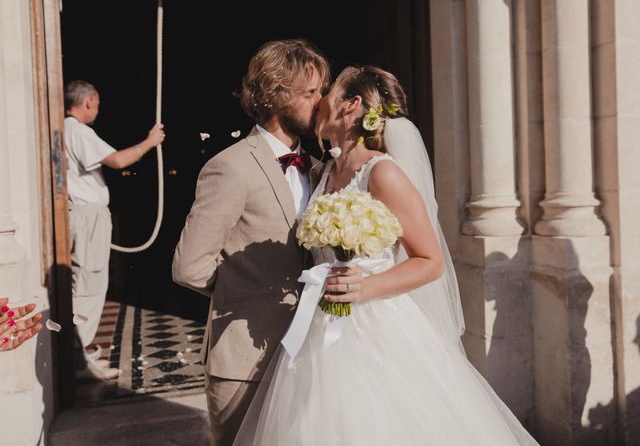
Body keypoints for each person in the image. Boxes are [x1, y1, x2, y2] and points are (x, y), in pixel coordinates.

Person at [233, 66, 541, 445]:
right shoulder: (326, 169)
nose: (319, 100)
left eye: (329, 91)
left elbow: (430, 261)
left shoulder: (382, 173)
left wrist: (365, 286)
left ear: (352, 105)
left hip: (376, 329)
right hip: (321, 325)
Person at [172, 39, 331, 445]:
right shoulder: (230, 166)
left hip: (311, 357)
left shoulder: (320, 169)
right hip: (244, 364)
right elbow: (189, 266)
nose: (322, 102)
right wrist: (246, 290)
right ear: (277, 95)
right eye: (311, 93)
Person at [64, 80, 165, 381]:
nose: (97, 109)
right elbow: (119, 160)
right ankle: (78, 362)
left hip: (82, 217)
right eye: (96, 103)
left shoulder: (65, 130)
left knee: (84, 283)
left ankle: (76, 353)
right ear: (88, 102)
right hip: (86, 217)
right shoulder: (78, 131)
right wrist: (150, 141)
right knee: (88, 286)